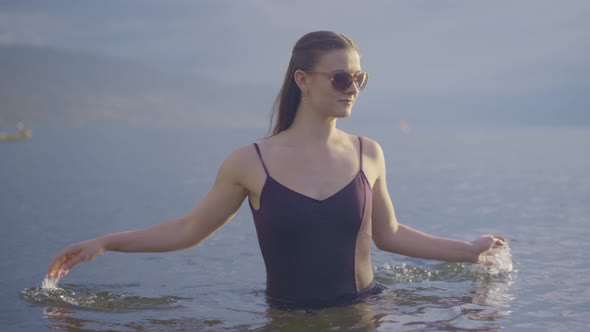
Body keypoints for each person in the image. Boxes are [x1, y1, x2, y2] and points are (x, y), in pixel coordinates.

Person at [48, 31, 506, 308]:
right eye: (341, 78)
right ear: (302, 81)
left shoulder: (370, 152)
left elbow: (389, 234)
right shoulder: (250, 161)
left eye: (359, 79)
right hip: (287, 321)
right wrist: (106, 242)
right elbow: (189, 229)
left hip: (365, 315)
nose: (353, 89)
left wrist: (468, 250)